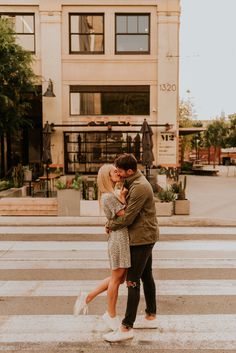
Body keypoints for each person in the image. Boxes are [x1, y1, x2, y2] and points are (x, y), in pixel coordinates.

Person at [103, 153, 159, 342]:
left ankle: (126, 328)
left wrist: (110, 224)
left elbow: (128, 217)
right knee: (146, 275)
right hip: (143, 236)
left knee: (132, 282)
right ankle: (151, 316)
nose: (118, 174)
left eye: (120, 171)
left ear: (129, 171)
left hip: (141, 238)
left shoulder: (140, 187)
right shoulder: (131, 183)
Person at [73, 164, 130, 331]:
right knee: (116, 278)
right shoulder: (108, 197)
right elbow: (125, 215)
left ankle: (87, 297)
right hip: (119, 239)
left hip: (120, 237)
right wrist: (124, 197)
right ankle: (110, 314)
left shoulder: (112, 194)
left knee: (119, 278)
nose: (118, 173)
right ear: (107, 176)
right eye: (114, 172)